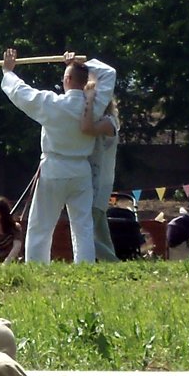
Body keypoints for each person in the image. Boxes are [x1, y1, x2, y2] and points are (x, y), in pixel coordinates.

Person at [0, 49, 115, 263]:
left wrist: (8, 72)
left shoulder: (52, 103)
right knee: (83, 225)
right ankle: (85, 266)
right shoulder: (95, 104)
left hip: (54, 168)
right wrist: (83, 62)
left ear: (67, 79)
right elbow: (109, 73)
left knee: (41, 225)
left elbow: (20, 92)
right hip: (81, 169)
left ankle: (36, 265)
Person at [80, 78, 120, 262]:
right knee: (101, 233)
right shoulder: (104, 120)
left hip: (99, 185)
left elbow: (87, 128)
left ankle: (114, 263)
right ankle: (113, 268)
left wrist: (88, 99)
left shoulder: (108, 122)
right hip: (93, 183)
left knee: (83, 233)